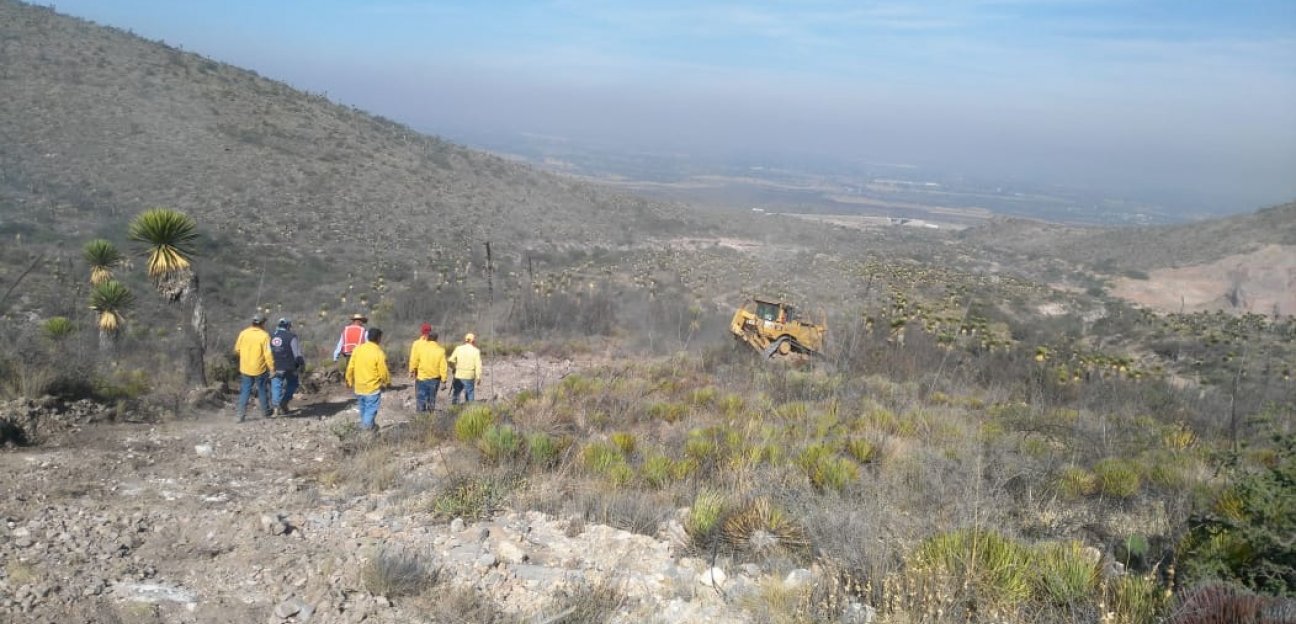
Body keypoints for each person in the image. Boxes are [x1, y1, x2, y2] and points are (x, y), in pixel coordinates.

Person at [345, 327, 390, 431]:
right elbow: (383, 371)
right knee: (370, 410)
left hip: (359, 387)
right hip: (372, 388)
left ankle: (370, 428)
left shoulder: (358, 349)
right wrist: (387, 382)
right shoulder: (378, 352)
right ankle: (365, 433)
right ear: (379, 338)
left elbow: (350, 366)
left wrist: (349, 380)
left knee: (363, 410)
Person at [234, 314, 275, 422]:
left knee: (245, 390)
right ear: (262, 324)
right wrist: (272, 368)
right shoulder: (264, 335)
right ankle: (265, 412)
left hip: (245, 367)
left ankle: (240, 414)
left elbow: (237, 349)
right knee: (262, 389)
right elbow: (268, 354)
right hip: (259, 368)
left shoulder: (243, 333)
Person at [269, 318, 305, 416]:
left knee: (276, 386)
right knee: (293, 384)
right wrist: (301, 364)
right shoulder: (291, 336)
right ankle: (284, 402)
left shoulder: (271, 336)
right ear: (288, 326)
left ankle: (276, 409)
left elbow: (268, 352)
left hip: (276, 366)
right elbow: (297, 353)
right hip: (290, 366)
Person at [408, 323, 447, 413]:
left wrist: (411, 370)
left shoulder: (418, 345)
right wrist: (444, 380)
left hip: (421, 377)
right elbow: (443, 367)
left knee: (420, 400)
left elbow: (414, 359)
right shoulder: (441, 350)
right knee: (431, 400)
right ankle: (430, 419)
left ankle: (420, 418)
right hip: (435, 379)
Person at [447, 332, 482, 404]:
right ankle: (470, 410)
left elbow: (450, 360)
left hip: (458, 375)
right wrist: (478, 377)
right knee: (470, 393)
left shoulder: (458, 348)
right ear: (473, 341)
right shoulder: (476, 351)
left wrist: (454, 368)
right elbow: (478, 365)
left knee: (456, 393)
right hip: (469, 376)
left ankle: (454, 410)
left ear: (465, 340)